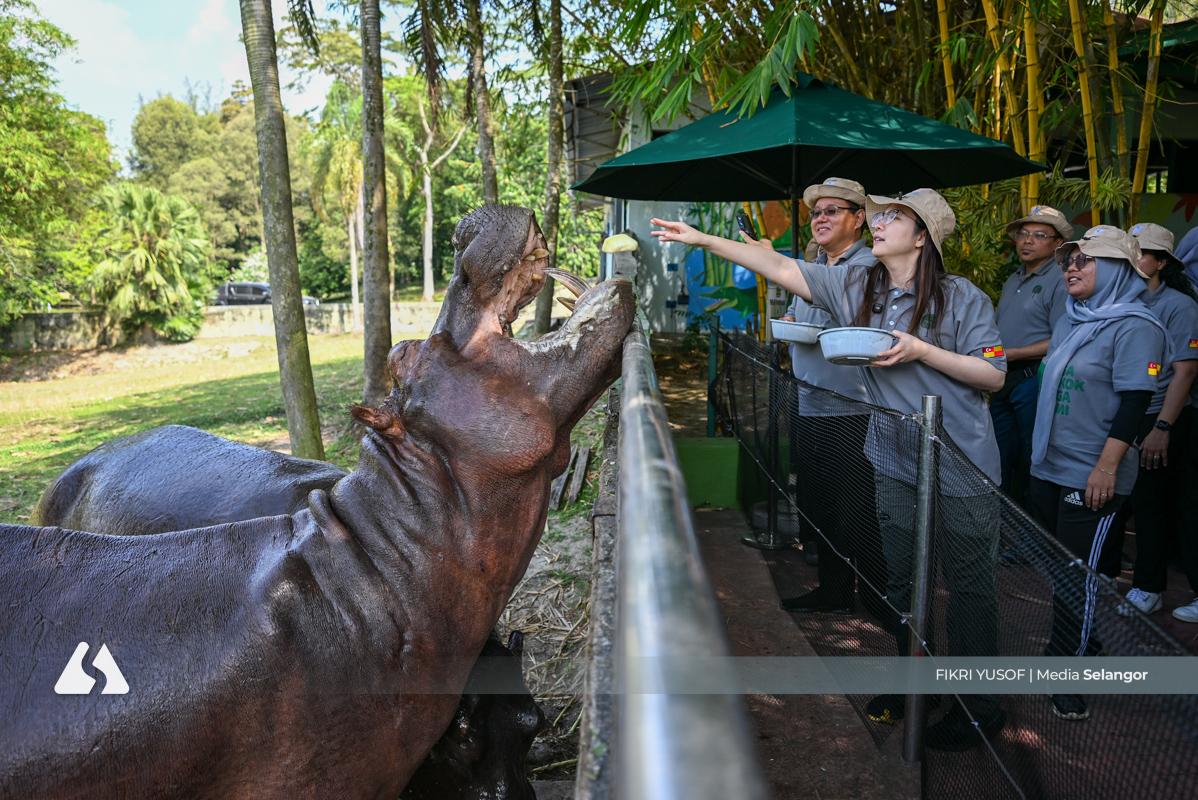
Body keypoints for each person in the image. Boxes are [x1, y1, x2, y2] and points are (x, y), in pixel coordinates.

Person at [651, 188, 1006, 751]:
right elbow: (776, 264)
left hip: (960, 459)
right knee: (905, 583)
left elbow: (993, 375)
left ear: (922, 238)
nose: (881, 222)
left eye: (894, 216)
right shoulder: (856, 285)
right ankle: (917, 686)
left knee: (968, 587)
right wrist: (700, 239)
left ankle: (979, 704)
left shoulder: (963, 297)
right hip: (891, 453)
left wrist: (921, 351)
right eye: (880, 214)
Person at [1027, 225, 1166, 722]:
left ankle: (1068, 672)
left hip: (1092, 475)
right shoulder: (1074, 318)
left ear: (1117, 271)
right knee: (1055, 565)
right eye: (1069, 259)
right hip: (1049, 465)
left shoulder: (1137, 327)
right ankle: (1085, 638)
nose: (1072, 267)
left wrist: (1106, 468)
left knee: (1076, 577)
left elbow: (1135, 405)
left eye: (1086, 260)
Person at [758, 178, 886, 617]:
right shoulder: (814, 264)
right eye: (816, 212)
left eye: (833, 211)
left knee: (857, 510)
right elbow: (803, 315)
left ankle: (880, 603)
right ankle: (832, 589)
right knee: (819, 507)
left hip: (852, 408)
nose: (821, 219)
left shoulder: (869, 266)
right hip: (810, 401)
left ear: (859, 219)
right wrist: (793, 317)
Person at [1117, 224, 1198, 622]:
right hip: (1127, 413)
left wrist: (1162, 429)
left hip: (1162, 416)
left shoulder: (1179, 306)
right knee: (1135, 501)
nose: (1134, 259)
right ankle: (1141, 583)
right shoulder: (1120, 299)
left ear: (1162, 262)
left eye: (1143, 252)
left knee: (1164, 504)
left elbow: (1184, 371)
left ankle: (1150, 587)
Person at [992, 206, 1071, 506]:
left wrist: (1012, 353)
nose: (1027, 241)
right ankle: (1004, 528)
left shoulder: (1061, 280)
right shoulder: (1013, 279)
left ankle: (1029, 538)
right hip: (1002, 376)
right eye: (1024, 234)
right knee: (1000, 455)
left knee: (1030, 458)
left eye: (1039, 235)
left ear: (1057, 244)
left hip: (1033, 378)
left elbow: (1062, 339)